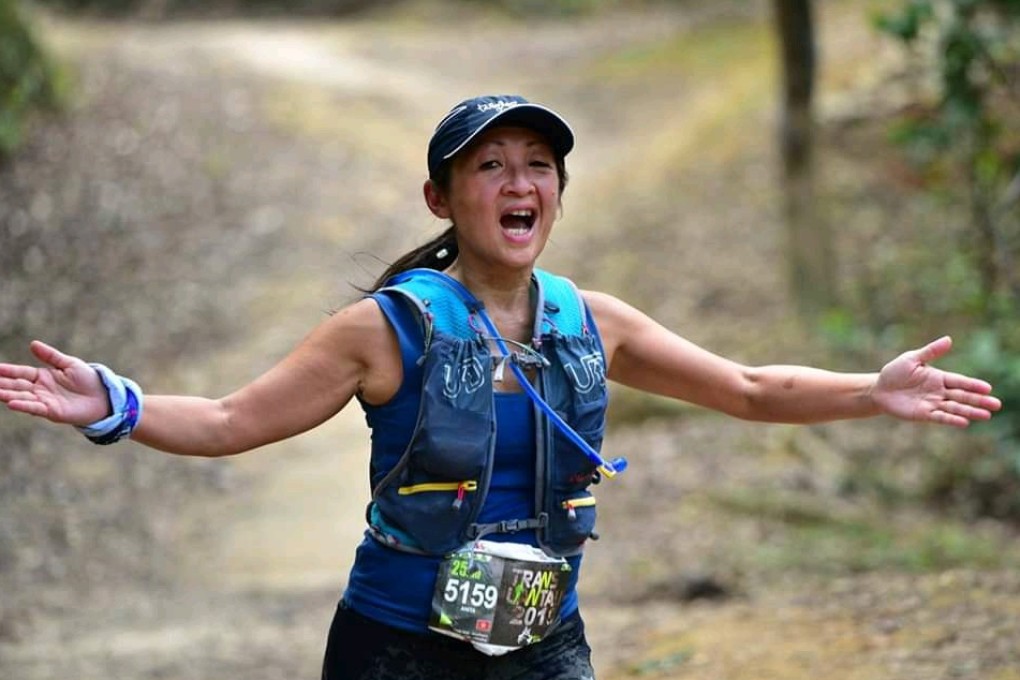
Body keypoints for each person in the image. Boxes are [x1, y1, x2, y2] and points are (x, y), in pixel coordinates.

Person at [0, 94, 1002, 680]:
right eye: (490, 165)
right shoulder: (384, 328)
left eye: (538, 165)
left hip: (544, 640)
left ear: (559, 193)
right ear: (442, 196)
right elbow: (227, 420)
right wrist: (116, 405)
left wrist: (872, 389)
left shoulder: (591, 320)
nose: (518, 182)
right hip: (398, 650)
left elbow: (745, 386)